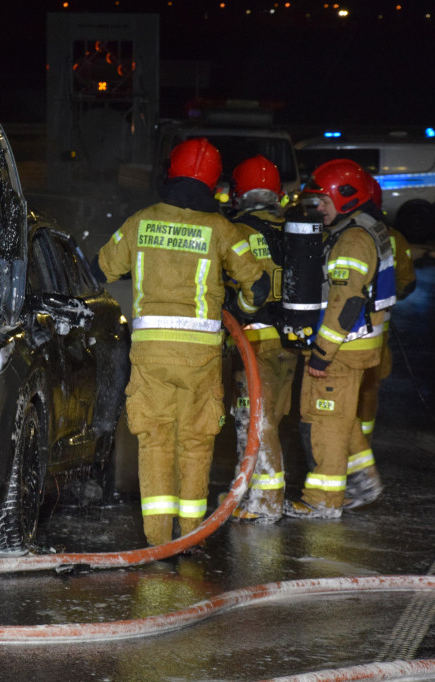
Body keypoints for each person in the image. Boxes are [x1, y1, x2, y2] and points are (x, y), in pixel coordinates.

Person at [96, 138, 270, 545]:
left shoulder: (141, 222)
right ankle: (191, 536)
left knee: (154, 440)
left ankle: (158, 541)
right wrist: (238, 307)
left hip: (150, 355)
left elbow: (99, 268)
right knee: (194, 441)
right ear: (213, 182)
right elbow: (257, 288)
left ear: (170, 172)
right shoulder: (222, 230)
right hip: (200, 358)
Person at [285, 159, 396, 519]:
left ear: (346, 198)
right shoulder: (366, 228)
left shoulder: (352, 239)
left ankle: (322, 499)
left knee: (325, 422)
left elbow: (347, 300)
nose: (319, 209)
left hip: (342, 350)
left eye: (325, 202)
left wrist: (322, 352)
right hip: (360, 347)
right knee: (343, 419)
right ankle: (364, 481)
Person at [225, 155, 299, 523]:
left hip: (254, 341)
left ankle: (265, 502)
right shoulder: (294, 230)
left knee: (255, 419)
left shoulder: (237, 232)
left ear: (240, 193)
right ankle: (256, 491)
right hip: (291, 342)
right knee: (272, 418)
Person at [346, 176, 417, 508]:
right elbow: (407, 283)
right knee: (368, 392)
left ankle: (354, 459)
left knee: (342, 401)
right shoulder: (393, 237)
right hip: (379, 336)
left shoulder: (349, 237)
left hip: (346, 338)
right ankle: (363, 447)